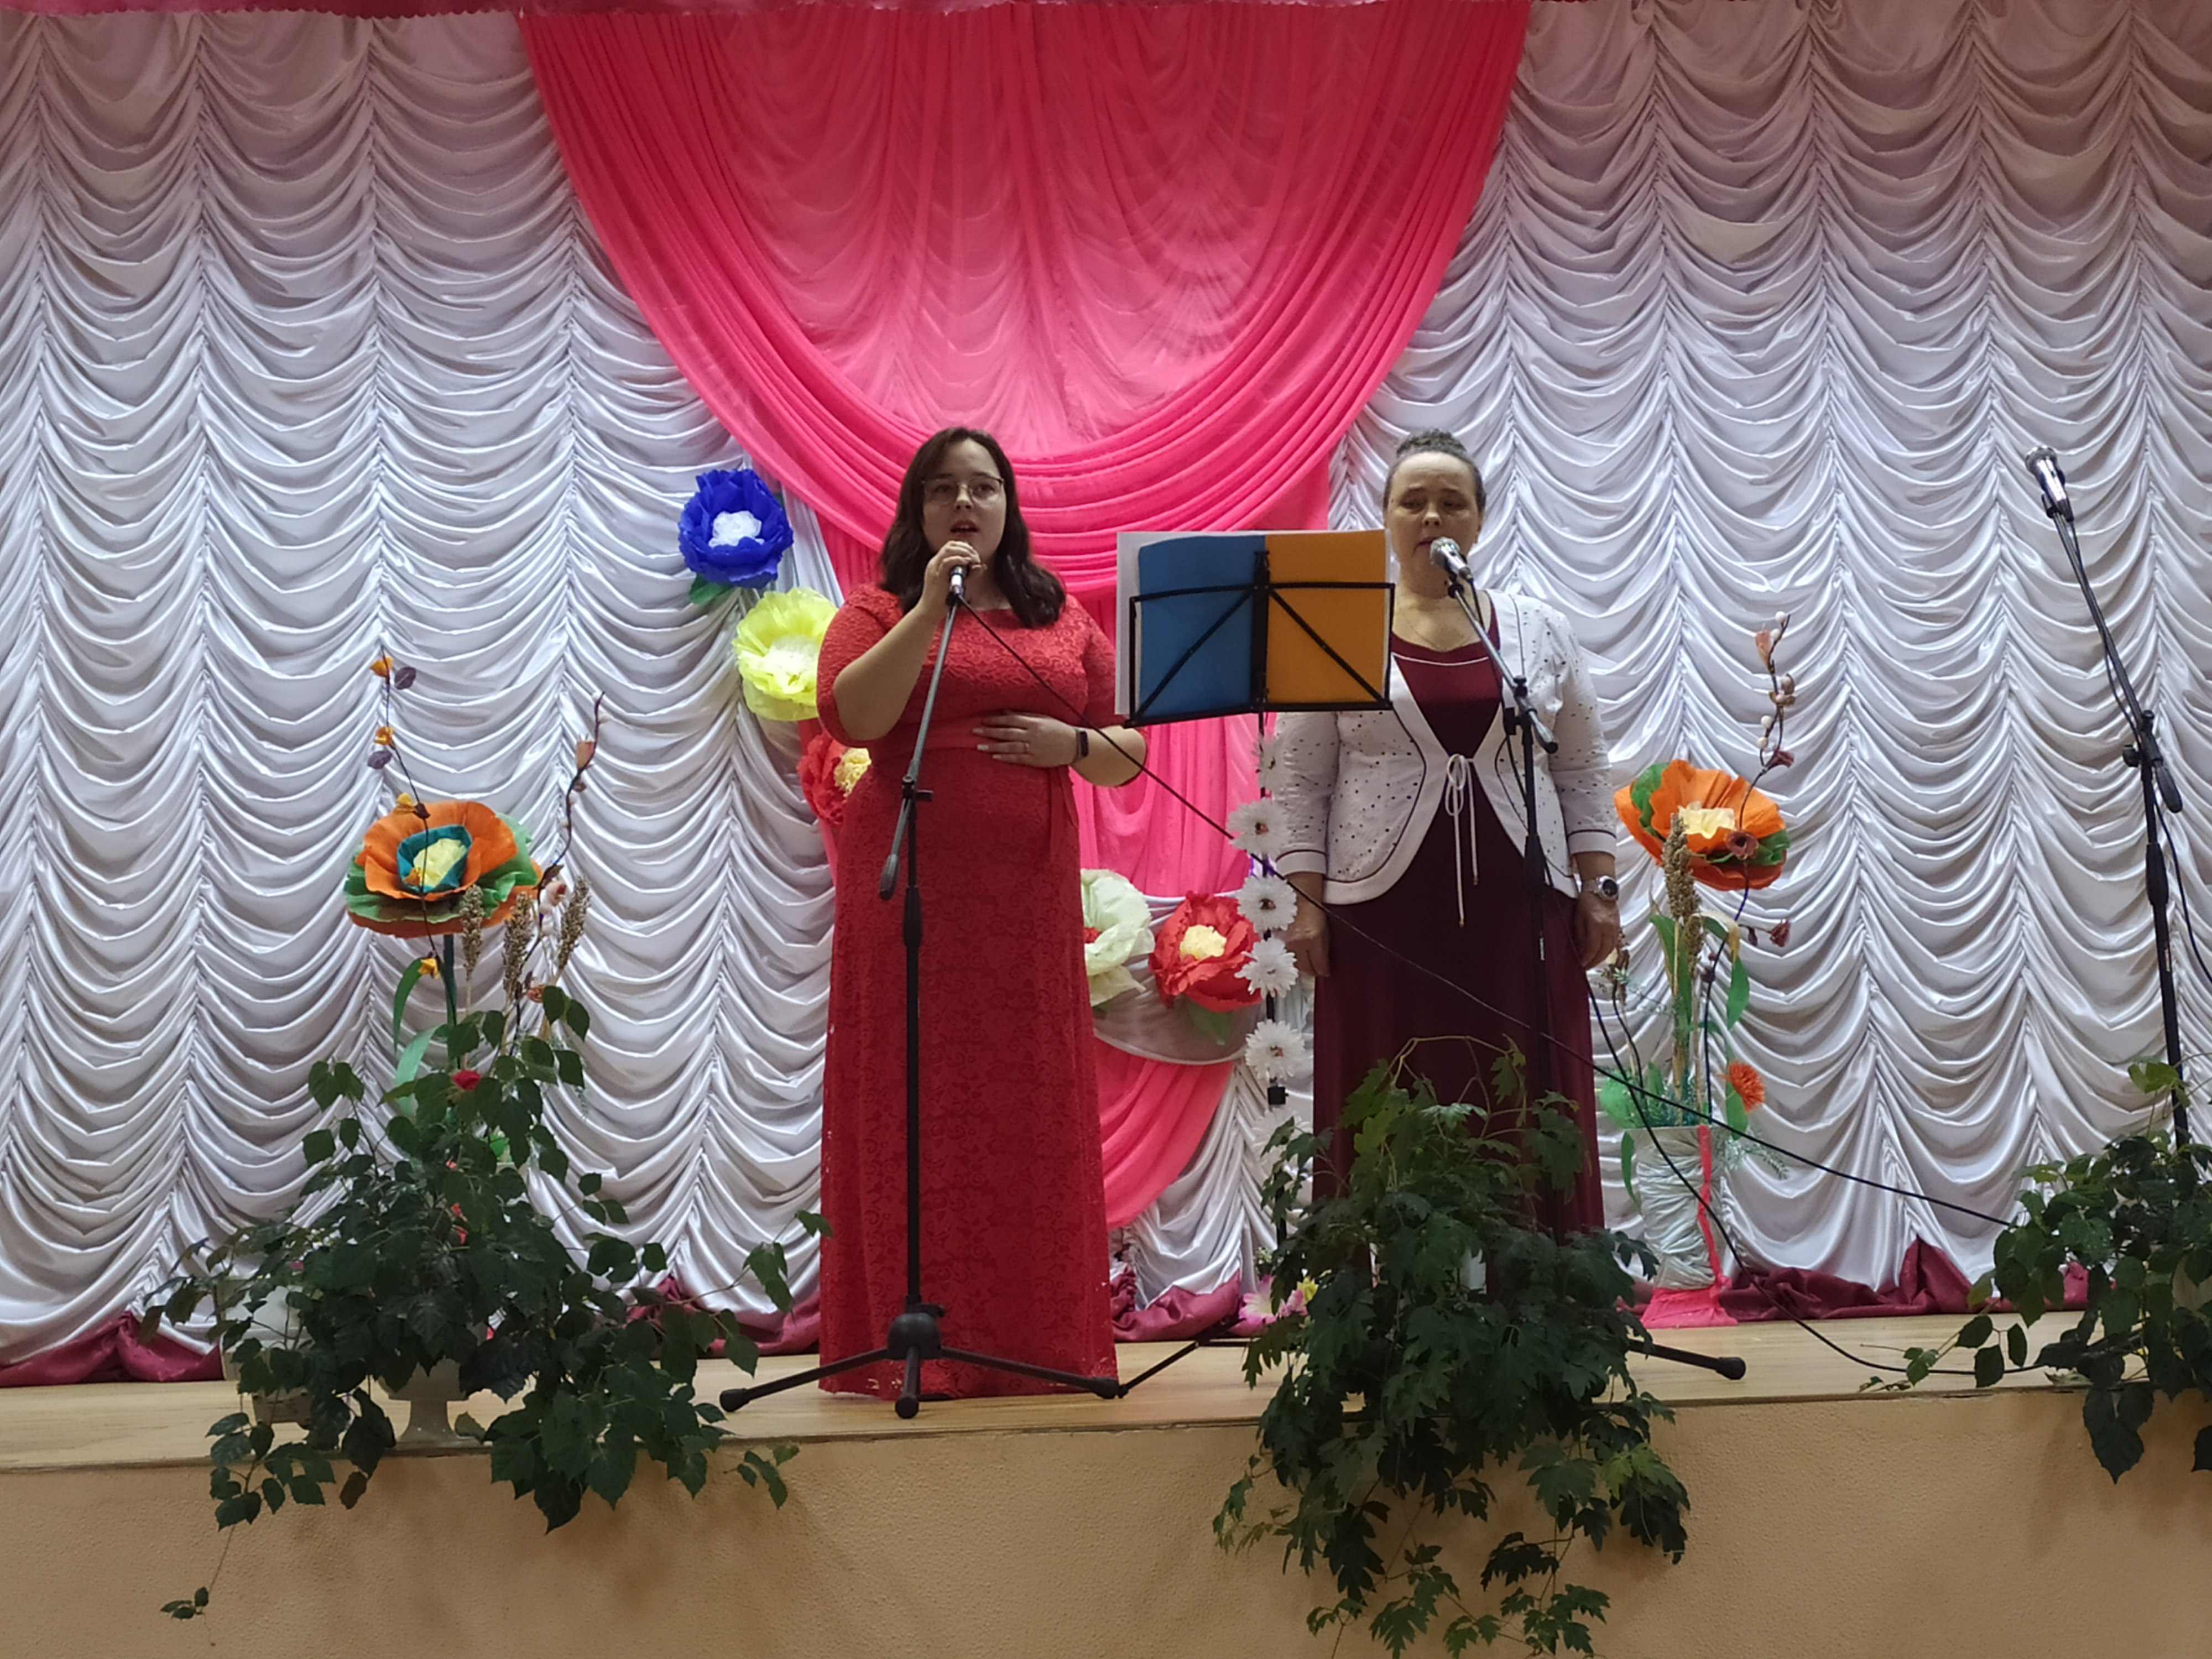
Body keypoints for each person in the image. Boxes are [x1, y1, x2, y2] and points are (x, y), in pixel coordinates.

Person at [813, 426, 1148, 1397]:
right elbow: (852, 717)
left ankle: (1028, 1333)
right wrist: (929, 608)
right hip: (909, 880)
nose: (965, 503)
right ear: (916, 510)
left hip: (1024, 892)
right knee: (910, 1086)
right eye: (943, 489)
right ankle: (914, 1333)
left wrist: (1068, 746)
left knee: (1022, 1090)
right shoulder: (878, 607)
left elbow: (1130, 748)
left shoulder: (1059, 614)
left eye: (984, 487)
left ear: (1010, 505)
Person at [1274, 430, 1619, 1232]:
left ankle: (1537, 1283)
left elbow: (1581, 768)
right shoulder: (1339, 626)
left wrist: (1599, 889)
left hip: (1519, 910)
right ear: (1386, 518)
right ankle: (1387, 1285)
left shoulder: (1538, 628)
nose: (1432, 516)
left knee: (1524, 1088)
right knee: (1388, 1086)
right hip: (1380, 914)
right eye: (1413, 502)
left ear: (1479, 521)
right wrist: (1305, 904)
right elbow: (1300, 778)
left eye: (1451, 502)